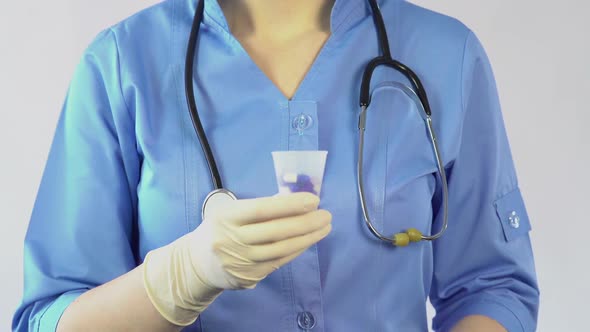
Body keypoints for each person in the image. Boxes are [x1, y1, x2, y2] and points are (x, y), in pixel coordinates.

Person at [13, 0, 540, 331]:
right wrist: (180, 277)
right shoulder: (123, 63)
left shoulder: (445, 56)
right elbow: (48, 320)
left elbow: (494, 287)